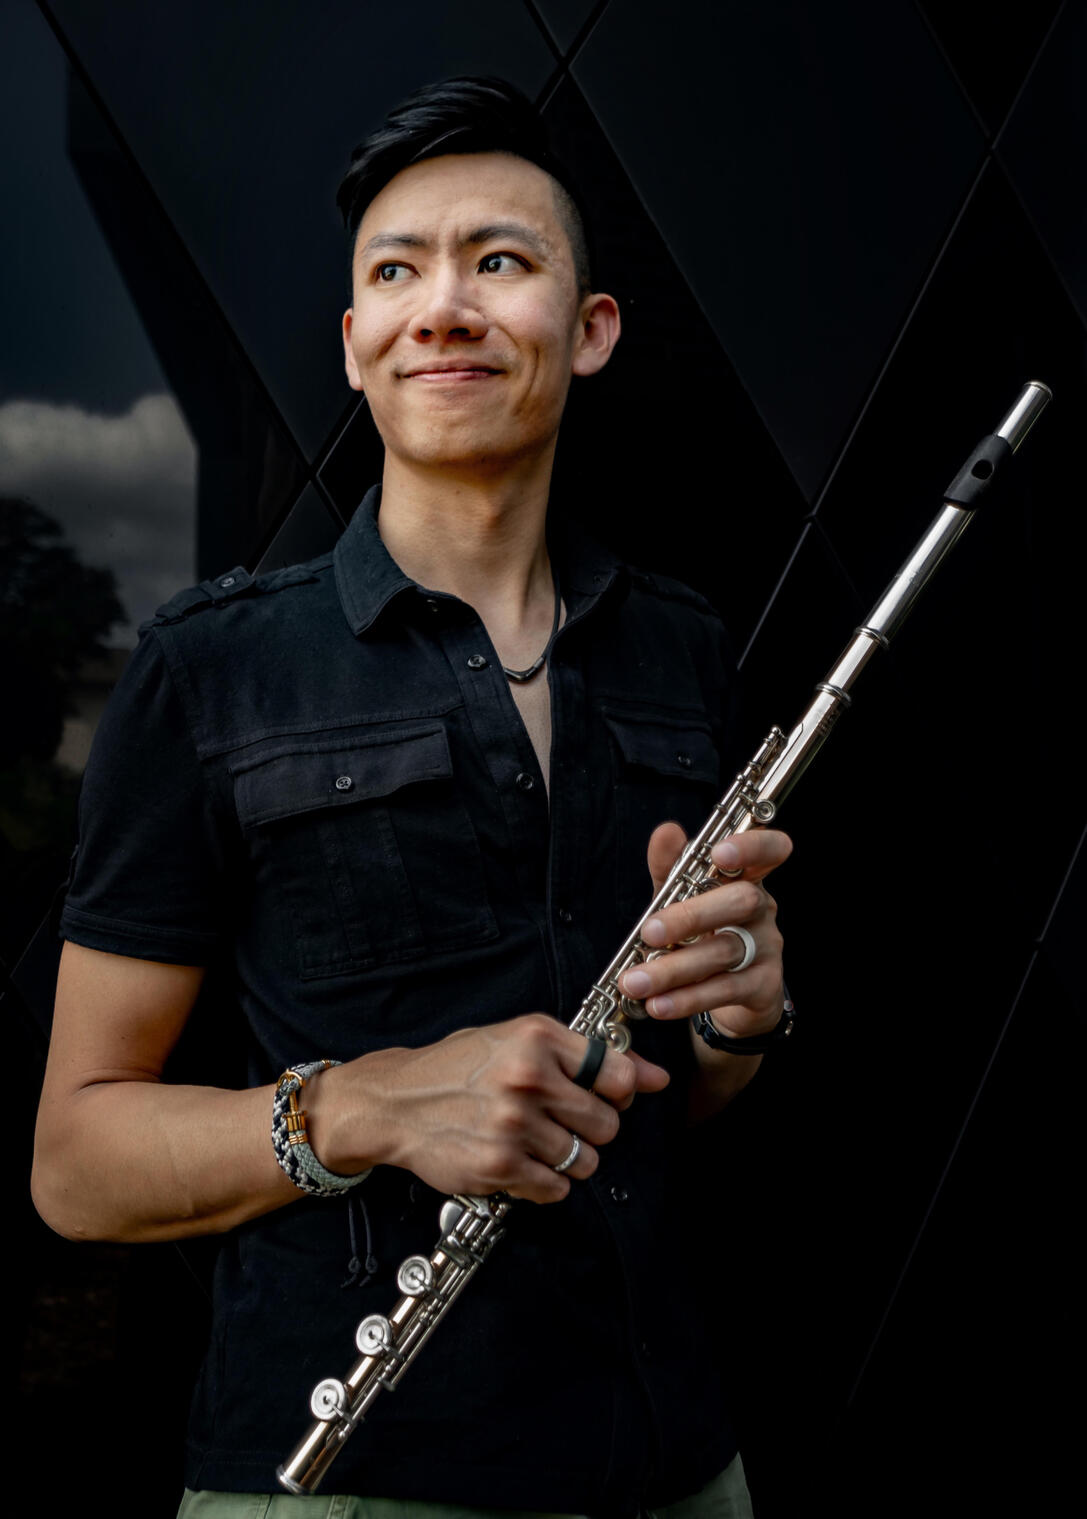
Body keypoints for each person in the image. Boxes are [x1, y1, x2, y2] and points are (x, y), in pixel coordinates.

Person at [32, 78, 792, 1519]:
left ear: (592, 329)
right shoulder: (212, 671)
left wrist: (741, 1019)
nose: (442, 308)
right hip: (348, 1485)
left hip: (678, 1469)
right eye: (396, 273)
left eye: (498, 261)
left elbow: (677, 1099)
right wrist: (367, 1105)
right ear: (355, 347)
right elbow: (74, 1166)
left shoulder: (682, 649)